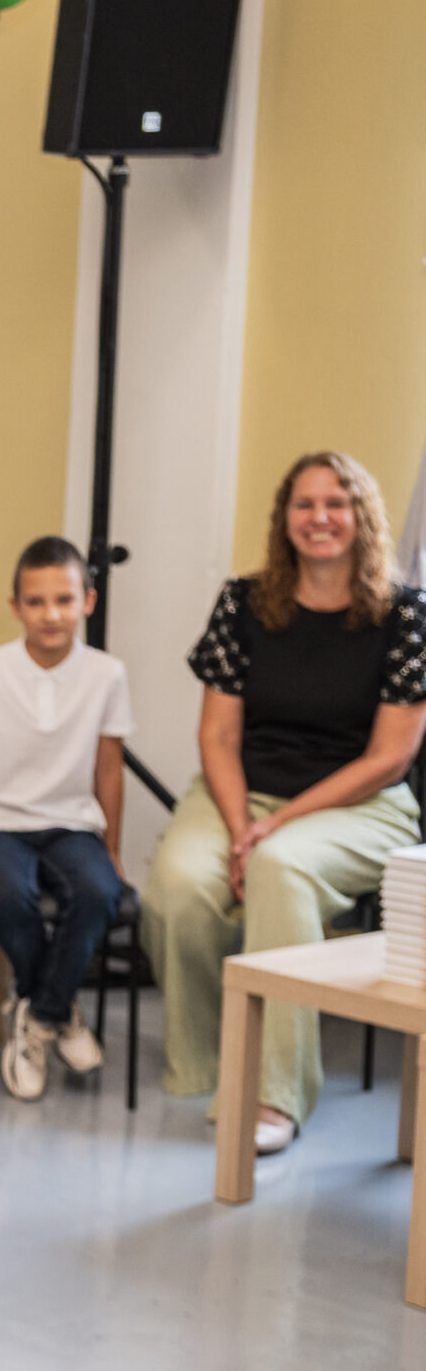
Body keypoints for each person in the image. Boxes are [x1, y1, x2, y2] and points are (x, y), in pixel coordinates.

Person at [142, 450, 426, 1153]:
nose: (320, 517)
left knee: (281, 868)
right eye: (305, 503)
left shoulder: (406, 615)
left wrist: (274, 829)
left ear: (362, 515)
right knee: (179, 883)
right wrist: (243, 823)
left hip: (362, 805)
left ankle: (277, 1092)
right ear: (284, 518)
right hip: (244, 791)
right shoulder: (242, 603)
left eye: (336, 502)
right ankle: (207, 1064)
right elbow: (217, 735)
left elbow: (389, 757)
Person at [0, 539, 132, 1101]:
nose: (51, 614)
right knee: (4, 891)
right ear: (15, 606)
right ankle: (58, 1008)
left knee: (98, 892)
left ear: (88, 601)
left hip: (73, 822)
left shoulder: (108, 674)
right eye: (36, 601)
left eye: (64, 600)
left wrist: (113, 849)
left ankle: (38, 1014)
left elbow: (109, 766)